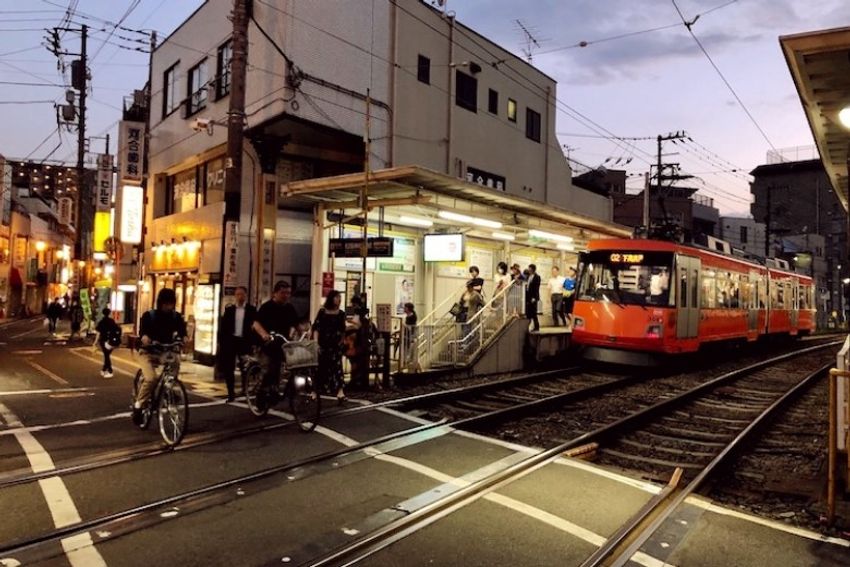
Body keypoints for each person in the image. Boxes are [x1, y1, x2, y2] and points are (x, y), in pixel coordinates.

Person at [133, 288, 188, 424]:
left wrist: (185, 338)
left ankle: (170, 387)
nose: (168, 307)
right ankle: (138, 405)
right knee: (151, 378)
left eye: (171, 303)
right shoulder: (149, 316)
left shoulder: (176, 317)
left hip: (165, 351)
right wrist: (145, 337)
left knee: (175, 360)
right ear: (160, 303)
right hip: (147, 351)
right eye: (166, 303)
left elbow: (182, 331)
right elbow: (143, 333)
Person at [252, 281, 298, 391]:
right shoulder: (266, 307)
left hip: (283, 344)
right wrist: (264, 335)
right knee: (269, 369)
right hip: (268, 345)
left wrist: (295, 332)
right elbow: (256, 323)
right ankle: (262, 396)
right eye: (283, 293)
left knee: (294, 367)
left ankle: (282, 390)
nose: (286, 296)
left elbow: (294, 324)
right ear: (275, 293)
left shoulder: (289, 308)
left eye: (288, 293)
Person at [216, 286, 257, 402]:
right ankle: (231, 393)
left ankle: (245, 389)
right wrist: (221, 342)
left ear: (246, 295)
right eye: (238, 294)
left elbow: (256, 326)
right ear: (235, 296)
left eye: (242, 294)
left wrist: (254, 342)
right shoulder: (229, 310)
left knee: (245, 366)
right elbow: (223, 327)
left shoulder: (251, 310)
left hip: (244, 341)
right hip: (231, 341)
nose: (240, 297)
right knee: (229, 368)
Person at [313, 290, 347, 403]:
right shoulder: (322, 312)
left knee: (337, 367)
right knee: (321, 367)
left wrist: (341, 342)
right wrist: (316, 342)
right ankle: (315, 390)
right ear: (331, 298)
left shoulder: (341, 313)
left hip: (336, 344)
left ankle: (340, 391)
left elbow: (343, 330)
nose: (339, 300)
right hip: (323, 343)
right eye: (337, 297)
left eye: (340, 298)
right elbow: (316, 328)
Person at [93, 307, 121, 378]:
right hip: (112, 341)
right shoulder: (112, 321)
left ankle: (110, 370)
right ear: (109, 313)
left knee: (106, 356)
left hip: (103, 340)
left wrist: (95, 342)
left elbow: (98, 333)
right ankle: (104, 369)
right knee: (107, 355)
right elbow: (117, 329)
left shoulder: (101, 322)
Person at [526, 264, 541, 331]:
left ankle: (537, 326)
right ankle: (529, 326)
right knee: (529, 312)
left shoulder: (537, 277)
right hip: (528, 296)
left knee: (534, 312)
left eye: (530, 269)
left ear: (533, 269)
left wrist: (534, 297)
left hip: (533, 297)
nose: (529, 270)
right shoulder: (529, 276)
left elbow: (536, 288)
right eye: (528, 269)